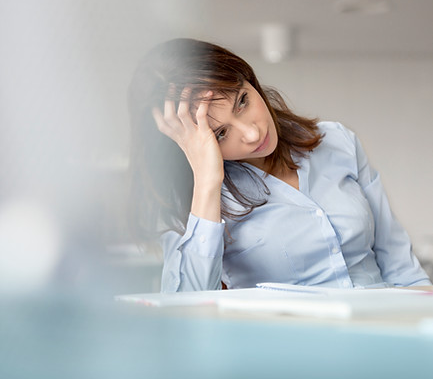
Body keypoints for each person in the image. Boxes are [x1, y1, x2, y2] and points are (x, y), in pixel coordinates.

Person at [128, 38, 431, 292]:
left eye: (243, 102)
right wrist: (207, 181)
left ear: (250, 80)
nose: (252, 132)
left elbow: (402, 268)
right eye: (220, 133)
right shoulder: (189, 201)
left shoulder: (337, 141)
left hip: (388, 339)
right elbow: (185, 313)